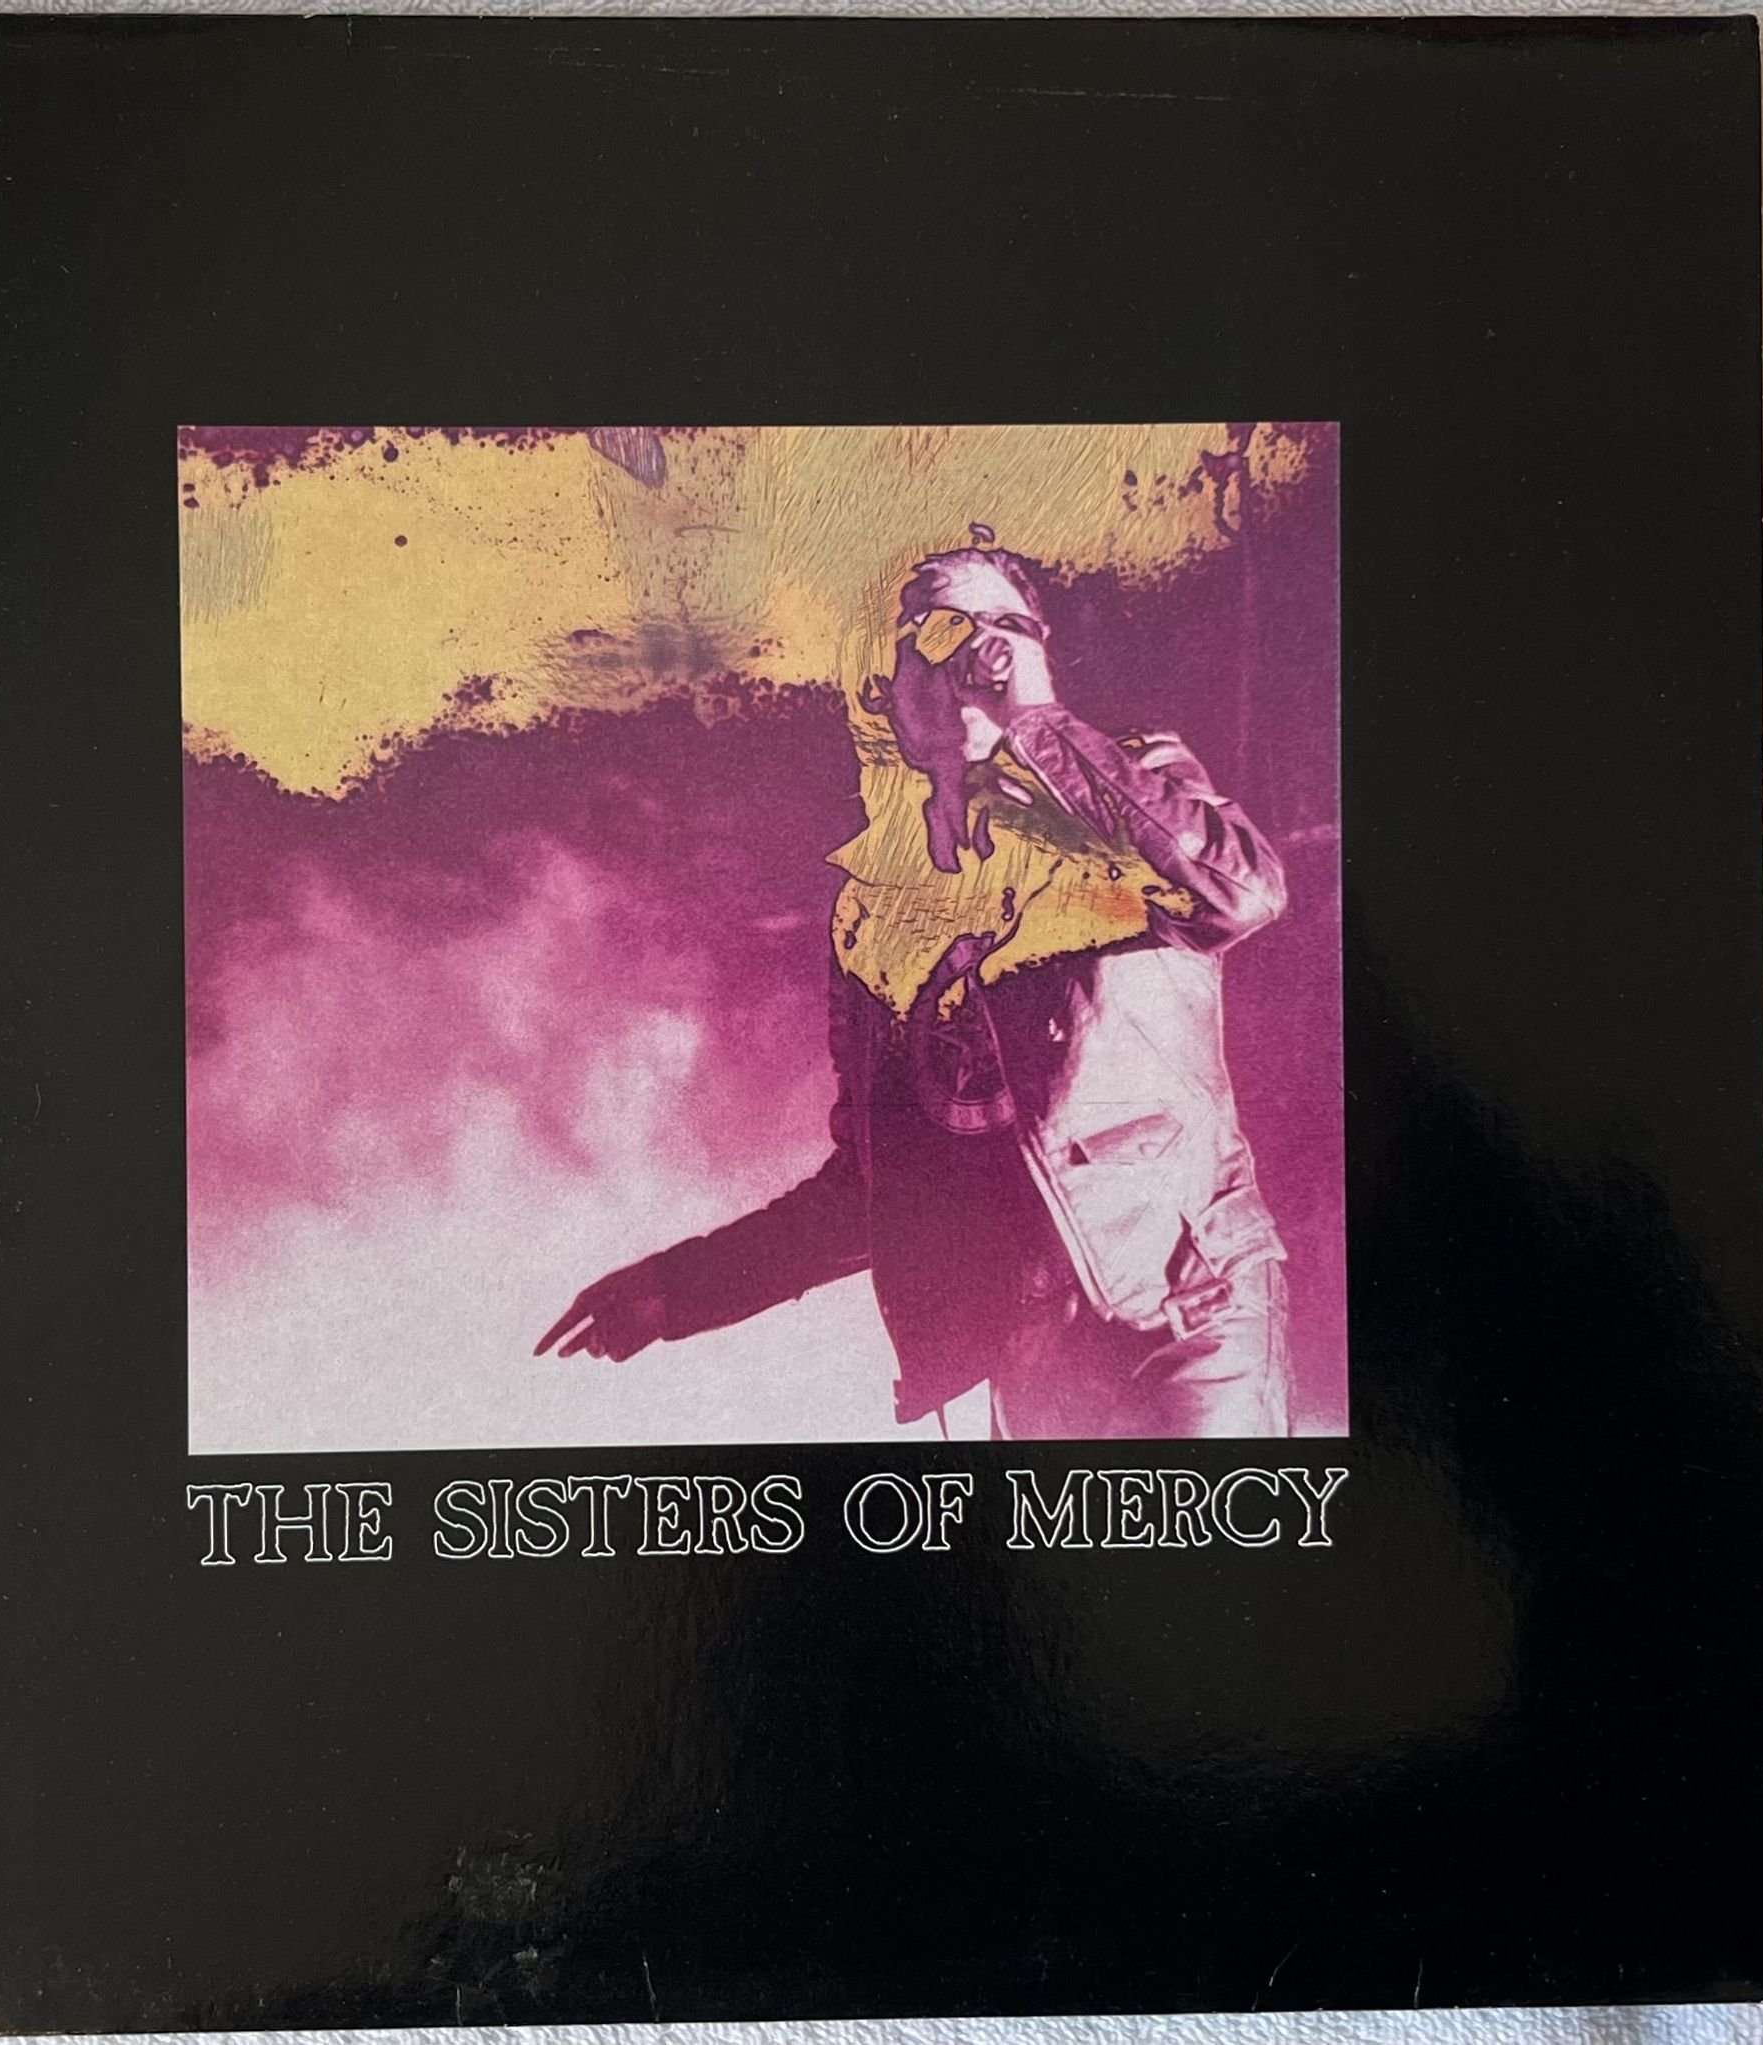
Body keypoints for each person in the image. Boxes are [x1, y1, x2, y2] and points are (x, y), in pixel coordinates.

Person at [536, 535, 1292, 1440]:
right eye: (938, 633)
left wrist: (1037, 722)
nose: (978, 654)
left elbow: (1242, 892)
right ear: (885, 690)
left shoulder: (1126, 789)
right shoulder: (874, 915)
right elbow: (871, 1187)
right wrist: (678, 1288)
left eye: (1005, 627)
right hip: (1033, 1362)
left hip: (1189, 1313)